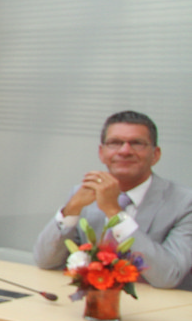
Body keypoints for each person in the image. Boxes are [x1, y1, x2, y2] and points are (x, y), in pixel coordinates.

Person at [33, 110, 192, 289]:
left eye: (137, 143)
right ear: (102, 153)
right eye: (115, 143)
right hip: (94, 299)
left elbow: (169, 276)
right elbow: (45, 261)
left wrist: (114, 212)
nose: (125, 151)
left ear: (155, 154)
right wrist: (71, 209)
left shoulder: (185, 203)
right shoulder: (84, 193)